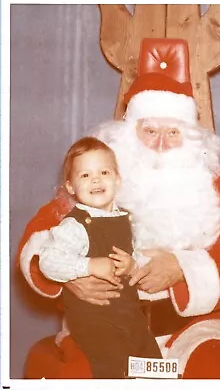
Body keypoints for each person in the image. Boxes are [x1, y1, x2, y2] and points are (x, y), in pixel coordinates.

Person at [18, 72, 220, 379]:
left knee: (215, 371)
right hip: (101, 319)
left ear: (192, 137)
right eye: (149, 130)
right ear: (129, 133)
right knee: (81, 374)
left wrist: (182, 268)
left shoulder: (214, 181)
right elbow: (39, 240)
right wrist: (71, 276)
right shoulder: (99, 176)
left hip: (194, 327)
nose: (160, 143)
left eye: (173, 132)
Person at [35, 136, 162, 378]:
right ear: (70, 187)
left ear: (117, 179)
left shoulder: (126, 218)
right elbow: (47, 261)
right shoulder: (75, 224)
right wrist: (89, 265)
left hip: (129, 314)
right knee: (114, 365)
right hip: (94, 319)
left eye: (104, 172)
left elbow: (138, 256)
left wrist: (132, 266)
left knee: (152, 364)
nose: (96, 179)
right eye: (85, 175)